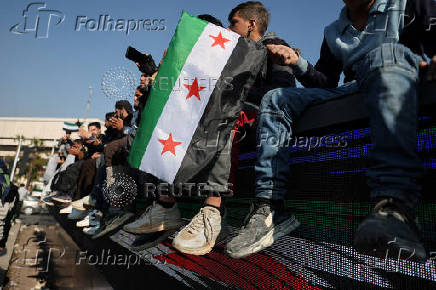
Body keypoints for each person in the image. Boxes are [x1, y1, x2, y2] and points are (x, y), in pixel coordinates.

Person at [225, 0, 436, 260]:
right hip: (354, 88)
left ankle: (396, 207)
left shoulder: (411, 5)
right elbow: (326, 81)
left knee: (384, 54)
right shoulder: (334, 30)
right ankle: (269, 208)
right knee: (276, 98)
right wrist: (298, 62)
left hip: (401, 76)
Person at [123, 3, 298, 256]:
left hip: (253, 115)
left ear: (251, 24)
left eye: (233, 23)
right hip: (230, 112)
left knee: (221, 116)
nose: (227, 29)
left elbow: (282, 89)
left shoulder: (274, 46)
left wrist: (236, 93)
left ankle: (213, 210)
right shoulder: (235, 52)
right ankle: (165, 206)